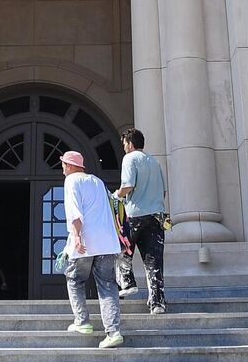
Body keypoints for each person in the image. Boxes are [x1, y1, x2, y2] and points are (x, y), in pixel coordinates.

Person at [59, 150, 125, 348]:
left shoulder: (71, 181)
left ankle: (82, 321)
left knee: (74, 279)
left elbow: (75, 213)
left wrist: (77, 237)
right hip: (107, 243)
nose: (62, 169)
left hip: (85, 242)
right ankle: (113, 332)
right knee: (107, 286)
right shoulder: (97, 181)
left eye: (63, 165)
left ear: (70, 166)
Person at [113, 127, 168, 314]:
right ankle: (157, 303)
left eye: (124, 145)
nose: (124, 148)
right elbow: (164, 192)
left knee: (122, 248)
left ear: (130, 143)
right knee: (154, 261)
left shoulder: (129, 159)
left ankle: (127, 283)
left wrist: (116, 196)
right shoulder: (155, 163)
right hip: (157, 215)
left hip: (134, 214)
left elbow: (127, 185)